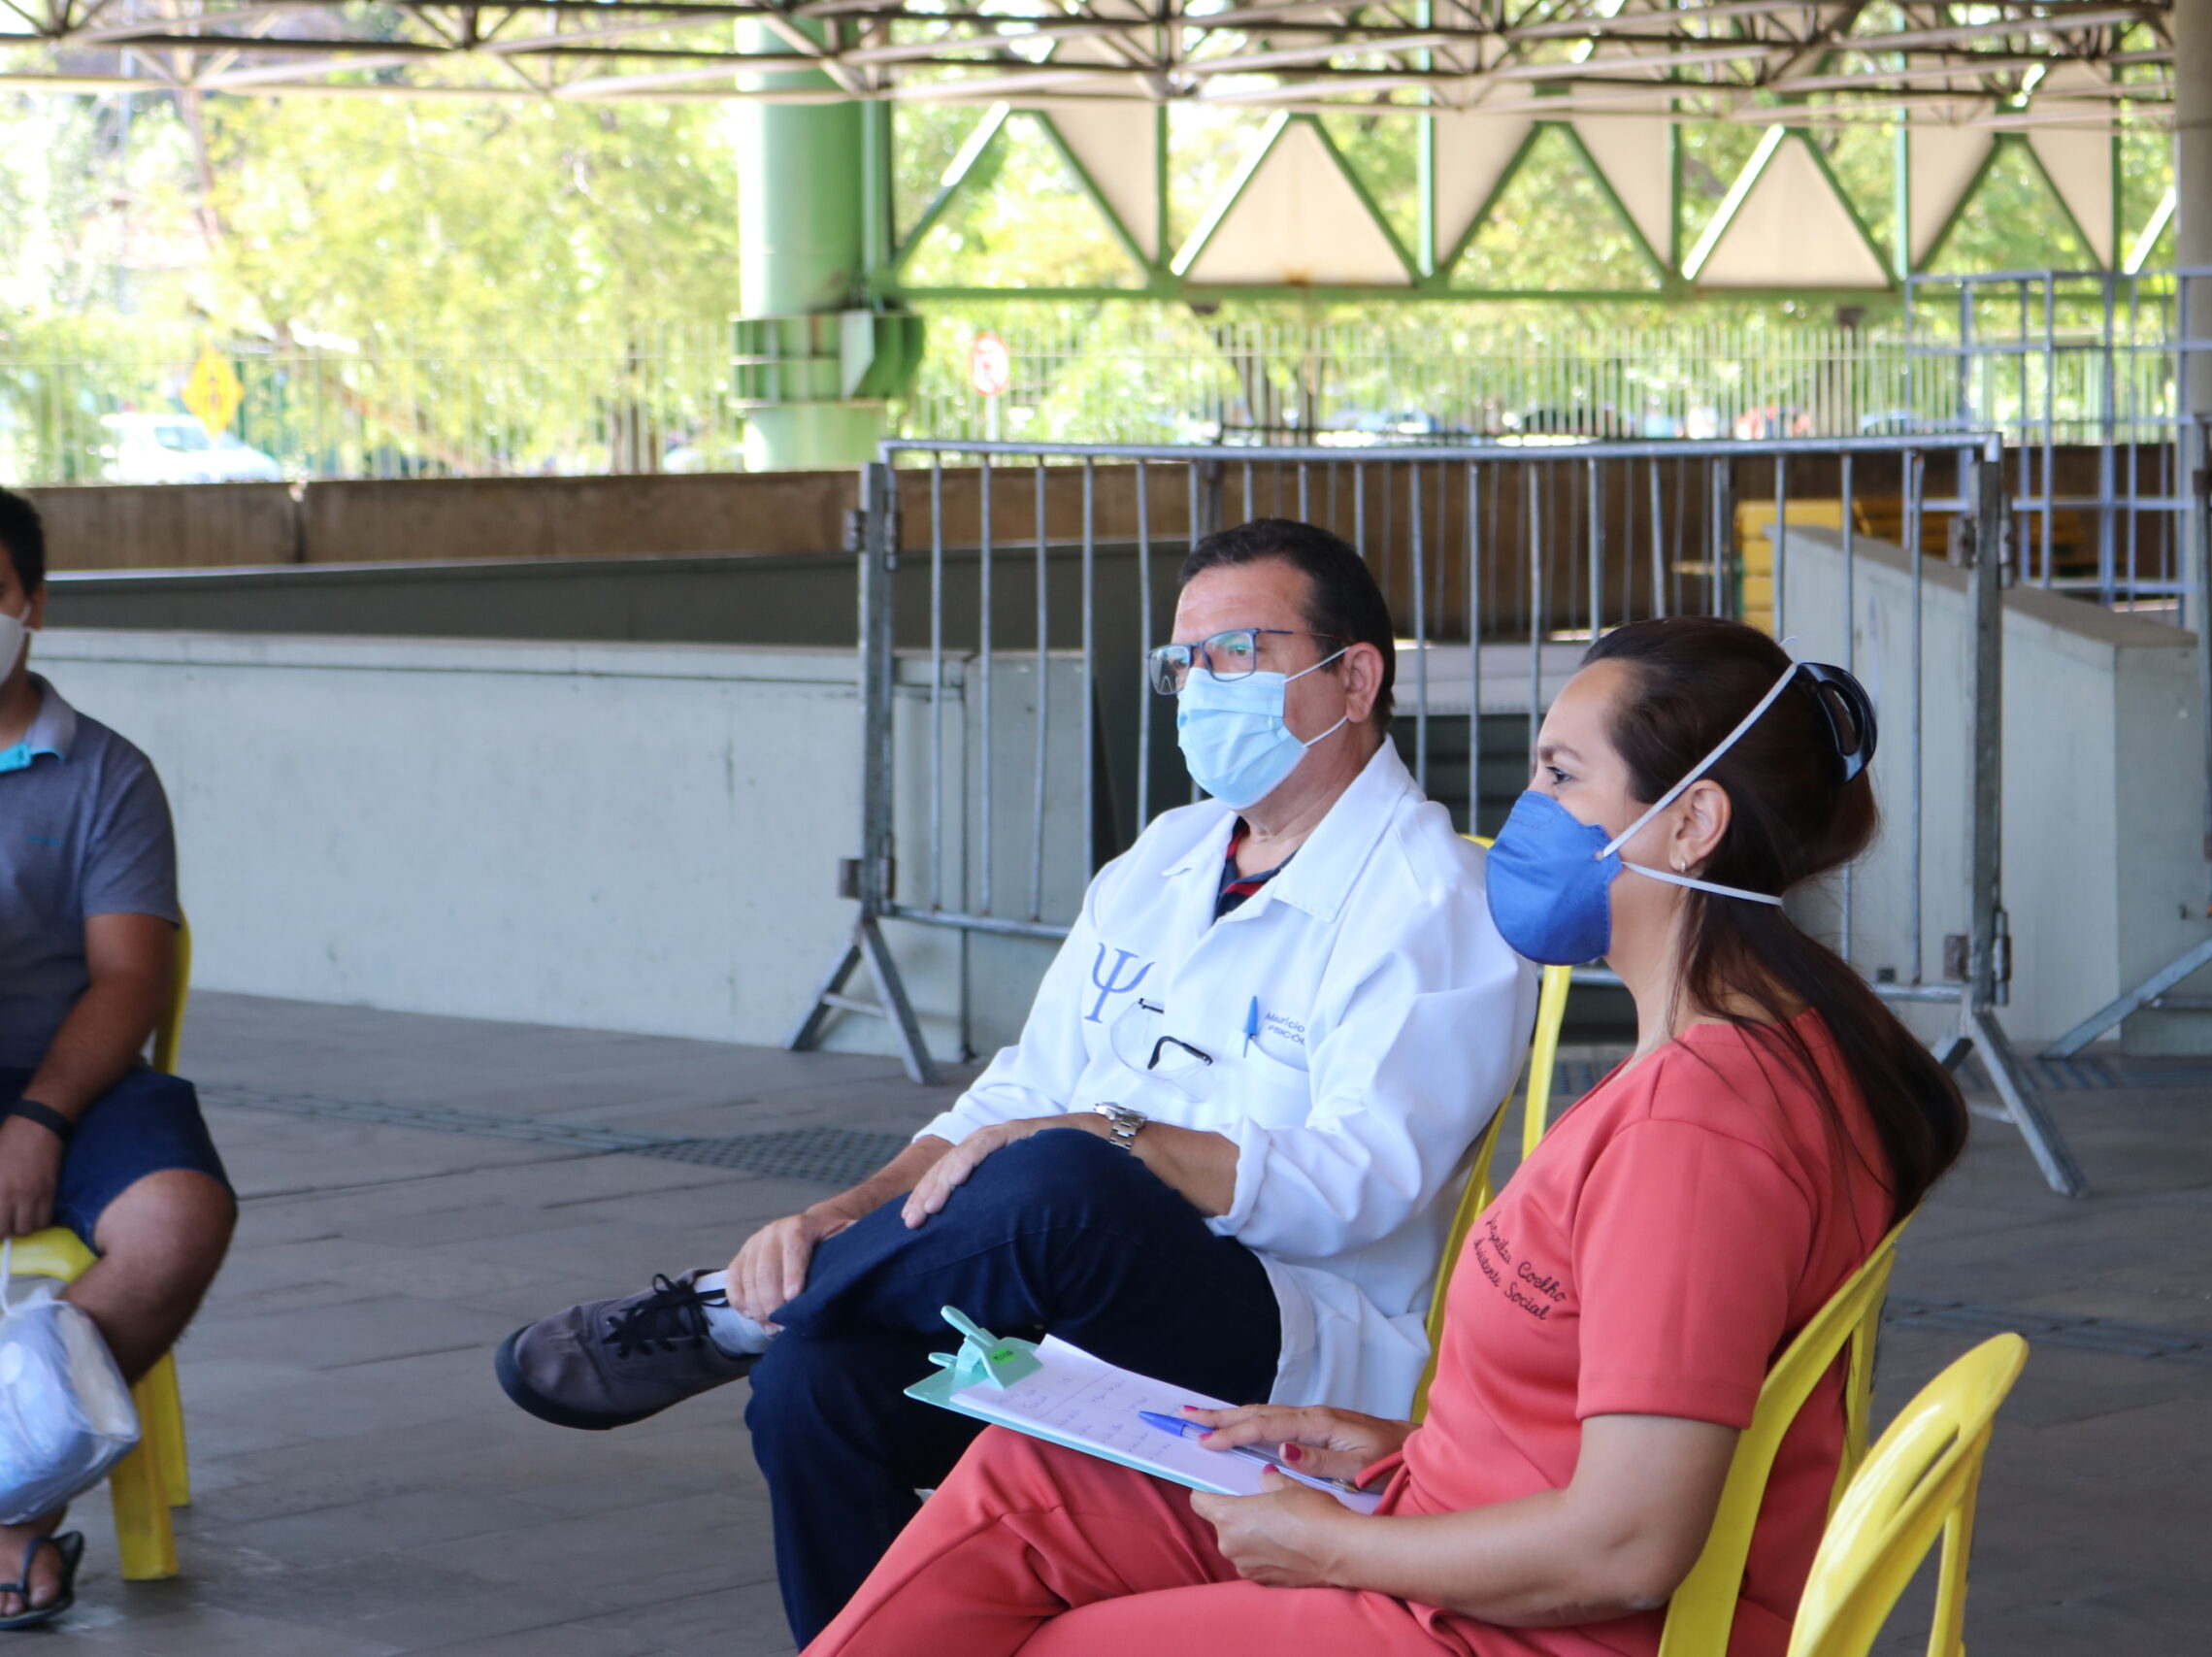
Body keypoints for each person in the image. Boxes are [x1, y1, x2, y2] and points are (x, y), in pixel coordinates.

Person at [801, 614, 1971, 1657]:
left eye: (1562, 778)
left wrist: (1335, 1551)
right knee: (1029, 1478)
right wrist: (1394, 1446)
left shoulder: (1697, 1133)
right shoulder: (1755, 1057)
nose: (1522, 817)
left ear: (1692, 824)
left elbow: (1624, 1545)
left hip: (1506, 1620)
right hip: (1444, 1527)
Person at [494, 517, 1535, 1643]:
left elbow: (1358, 1185)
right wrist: (837, 1213)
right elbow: (1010, 1094)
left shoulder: (1436, 906)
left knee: (1066, 1181)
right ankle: (788, 1320)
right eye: (1182, 663)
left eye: (1237, 652)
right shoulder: (1163, 861)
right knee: (814, 1394)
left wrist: (1112, 1134)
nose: (1199, 687)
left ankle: (739, 1315)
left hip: (1285, 1336)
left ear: (1354, 677)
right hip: (1071, 1308)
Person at [0, 486, 237, 1631]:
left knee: (177, 1222)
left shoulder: (106, 775)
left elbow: (128, 980)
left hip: (76, 1081)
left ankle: (11, 1506)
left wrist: (40, 1118)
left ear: (31, 605)